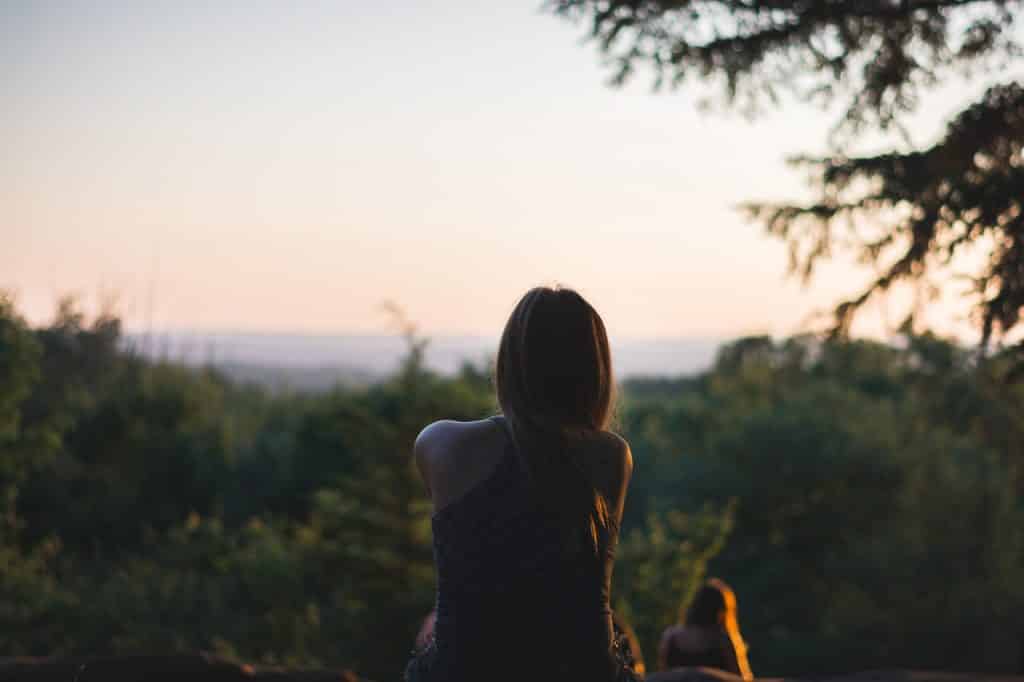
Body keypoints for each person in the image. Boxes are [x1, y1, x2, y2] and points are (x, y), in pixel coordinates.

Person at [405, 286, 640, 682]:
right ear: (594, 370)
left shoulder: (442, 444)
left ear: (509, 364)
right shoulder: (612, 457)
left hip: (465, 670)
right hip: (582, 672)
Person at [657, 578, 753, 680]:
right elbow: (741, 678)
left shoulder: (672, 636)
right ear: (721, 611)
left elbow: (663, 674)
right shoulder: (723, 639)